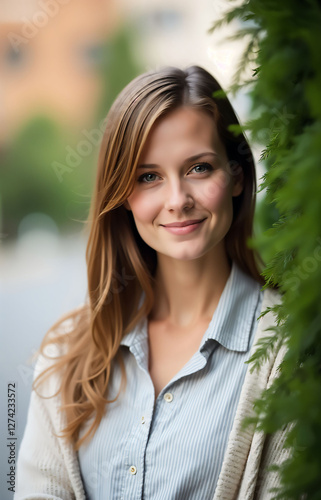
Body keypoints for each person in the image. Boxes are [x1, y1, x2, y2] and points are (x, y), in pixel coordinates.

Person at [15, 66, 287, 500]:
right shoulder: (66, 355)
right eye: (149, 177)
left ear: (236, 176)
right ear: (123, 194)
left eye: (199, 167)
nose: (177, 200)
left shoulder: (287, 349)